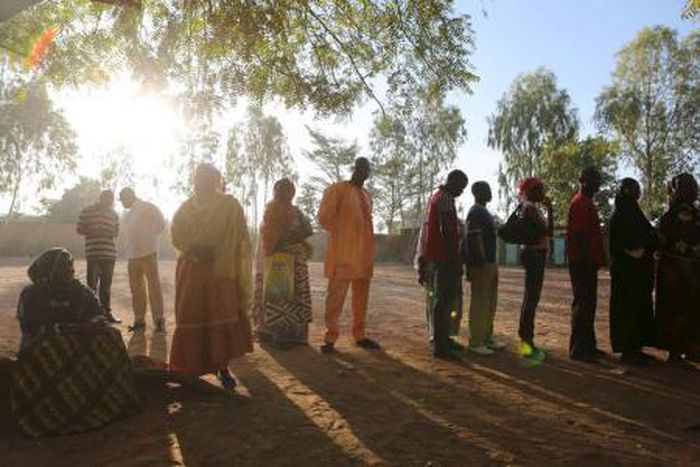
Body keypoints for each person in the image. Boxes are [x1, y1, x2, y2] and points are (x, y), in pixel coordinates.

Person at [13, 248, 140, 437]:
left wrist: (96, 322)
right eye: (63, 266)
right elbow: (33, 329)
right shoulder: (32, 294)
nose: (70, 270)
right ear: (48, 270)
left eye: (71, 266)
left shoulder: (80, 291)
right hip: (43, 346)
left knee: (111, 336)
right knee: (50, 347)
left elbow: (98, 315)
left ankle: (108, 401)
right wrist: (74, 329)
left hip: (77, 341)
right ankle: (54, 412)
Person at [169, 163, 253, 389]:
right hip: (191, 270)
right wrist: (193, 250)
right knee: (190, 314)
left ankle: (222, 368)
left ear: (215, 180)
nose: (200, 182)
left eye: (205, 178)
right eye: (197, 177)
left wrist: (217, 252)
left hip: (221, 271)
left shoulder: (230, 205)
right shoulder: (185, 207)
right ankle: (191, 370)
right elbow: (176, 234)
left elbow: (241, 236)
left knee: (219, 315)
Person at [318, 157, 380, 353]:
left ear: (369, 173)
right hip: (342, 254)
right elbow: (323, 218)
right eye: (360, 168)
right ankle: (330, 338)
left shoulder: (367, 195)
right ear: (353, 168)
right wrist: (344, 233)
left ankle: (359, 335)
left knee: (361, 298)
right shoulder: (336, 190)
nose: (363, 172)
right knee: (335, 298)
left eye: (367, 169)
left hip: (363, 255)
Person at [253, 178, 314, 347]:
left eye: (286, 190)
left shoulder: (296, 212)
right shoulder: (271, 211)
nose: (283, 193)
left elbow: (308, 230)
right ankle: (276, 335)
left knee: (296, 297)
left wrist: (292, 237)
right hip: (278, 260)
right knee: (278, 297)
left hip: (296, 262)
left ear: (292, 193)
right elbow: (270, 239)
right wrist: (287, 239)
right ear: (275, 192)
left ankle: (295, 335)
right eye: (279, 190)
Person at [608, 178, 658, 365]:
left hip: (639, 273)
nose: (638, 191)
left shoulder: (636, 214)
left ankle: (636, 347)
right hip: (626, 273)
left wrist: (649, 243)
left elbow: (649, 234)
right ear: (626, 190)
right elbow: (620, 243)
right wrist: (636, 248)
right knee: (627, 308)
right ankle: (628, 349)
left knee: (639, 306)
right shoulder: (620, 215)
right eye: (634, 189)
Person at [421, 170, 469, 359]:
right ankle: (441, 346)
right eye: (460, 187)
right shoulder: (445, 199)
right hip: (445, 257)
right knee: (444, 300)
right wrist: (455, 257)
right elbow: (447, 231)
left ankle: (443, 339)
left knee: (445, 300)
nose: (461, 192)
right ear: (452, 182)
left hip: (441, 255)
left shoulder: (438, 196)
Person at [655, 173, 700, 367]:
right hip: (679, 271)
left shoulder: (679, 213)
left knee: (685, 308)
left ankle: (685, 350)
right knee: (681, 308)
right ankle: (678, 352)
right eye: (692, 187)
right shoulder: (677, 214)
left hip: (682, 270)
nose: (696, 191)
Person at [566, 167, 606, 363]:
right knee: (583, 304)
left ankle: (589, 346)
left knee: (589, 304)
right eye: (595, 180)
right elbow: (581, 235)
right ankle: (578, 350)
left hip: (587, 261)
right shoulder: (580, 203)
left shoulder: (587, 202)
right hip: (582, 262)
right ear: (583, 180)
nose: (598, 183)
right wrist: (588, 260)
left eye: (599, 180)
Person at [119, 187, 167, 333]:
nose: (122, 203)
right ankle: (139, 320)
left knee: (154, 287)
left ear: (130, 196)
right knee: (136, 289)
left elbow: (161, 223)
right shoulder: (126, 215)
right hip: (132, 256)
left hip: (148, 253)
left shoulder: (147, 207)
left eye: (123, 199)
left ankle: (159, 320)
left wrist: (150, 239)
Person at [466, 181, 504, 355]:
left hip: (490, 263)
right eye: (486, 190)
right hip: (482, 264)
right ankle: (476, 341)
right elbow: (475, 238)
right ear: (477, 193)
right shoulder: (475, 212)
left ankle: (487, 338)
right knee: (480, 302)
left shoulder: (484, 212)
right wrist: (480, 262)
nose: (490, 192)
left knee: (490, 302)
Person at [517, 177, 553, 361]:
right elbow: (545, 230)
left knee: (531, 297)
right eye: (540, 189)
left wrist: (549, 209)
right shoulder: (529, 207)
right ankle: (526, 342)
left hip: (535, 255)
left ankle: (527, 340)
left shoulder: (531, 207)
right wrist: (548, 212)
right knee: (531, 297)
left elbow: (549, 231)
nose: (543, 193)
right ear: (531, 191)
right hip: (533, 255)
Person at [76, 190, 121, 323]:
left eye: (111, 200)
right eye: (106, 199)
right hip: (93, 253)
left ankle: (107, 313)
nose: (109, 202)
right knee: (92, 286)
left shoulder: (114, 214)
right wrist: (94, 231)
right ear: (100, 198)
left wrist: (108, 232)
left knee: (106, 286)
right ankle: (91, 314)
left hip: (109, 254)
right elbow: (79, 229)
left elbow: (116, 232)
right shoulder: (87, 211)